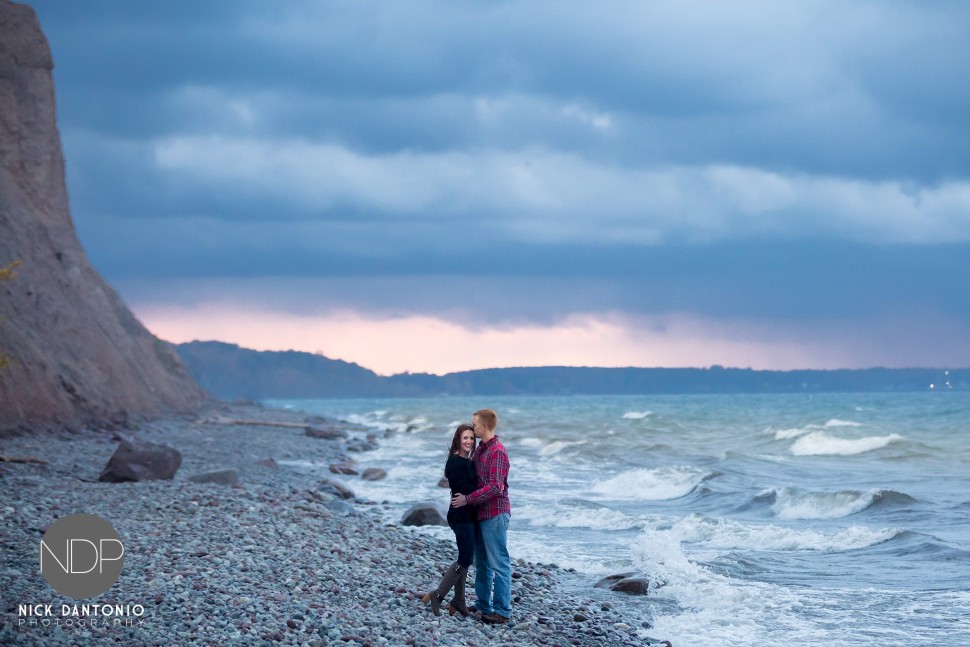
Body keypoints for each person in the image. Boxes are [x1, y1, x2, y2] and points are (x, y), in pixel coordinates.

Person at [451, 408, 511, 624]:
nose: (472, 426)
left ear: (484, 426)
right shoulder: (480, 450)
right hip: (480, 513)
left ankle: (502, 611)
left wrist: (467, 499)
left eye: (474, 424)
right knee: (482, 563)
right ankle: (484, 604)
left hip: (495, 513)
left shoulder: (497, 451)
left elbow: (496, 487)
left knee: (499, 563)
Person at [421, 423, 477, 616]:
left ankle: (459, 601)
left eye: (471, 438)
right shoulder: (454, 462)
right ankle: (438, 594)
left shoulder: (468, 462)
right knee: (466, 558)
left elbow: (468, 489)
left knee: (465, 558)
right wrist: (483, 490)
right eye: (465, 438)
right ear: (458, 440)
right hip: (459, 515)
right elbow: (463, 487)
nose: (469, 441)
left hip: (467, 514)